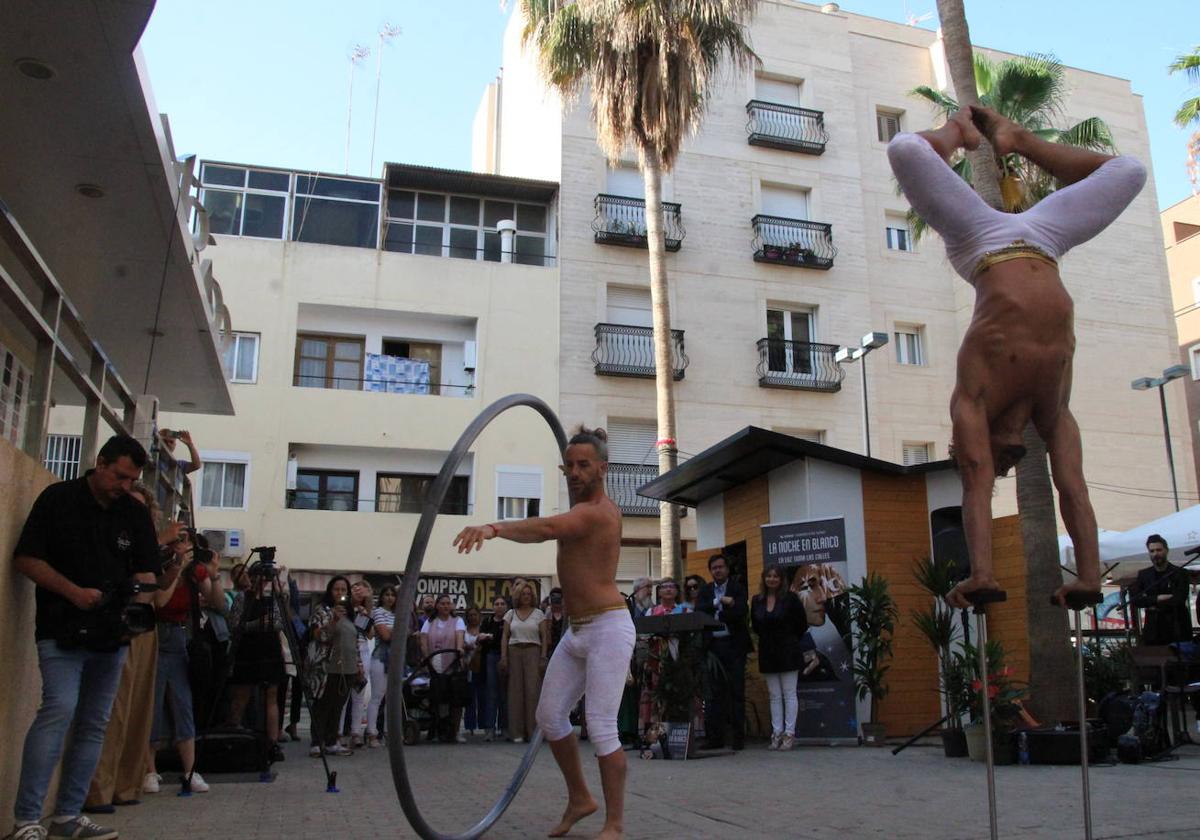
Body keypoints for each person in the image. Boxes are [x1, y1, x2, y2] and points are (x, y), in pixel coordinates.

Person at [886, 106, 1146, 610]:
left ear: (971, 442)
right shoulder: (1053, 410)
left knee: (904, 149)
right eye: (1012, 458)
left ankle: (973, 134)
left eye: (993, 456)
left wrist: (981, 574)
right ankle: (1020, 140)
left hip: (978, 240)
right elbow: (1072, 486)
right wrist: (1089, 578)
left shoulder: (973, 397)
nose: (1004, 457)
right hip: (1045, 239)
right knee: (1130, 171)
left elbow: (976, 483)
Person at [453, 426, 635, 840]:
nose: (574, 472)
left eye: (583, 465)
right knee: (550, 717)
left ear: (602, 468)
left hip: (609, 626)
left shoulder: (598, 512)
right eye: (568, 465)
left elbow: (547, 528)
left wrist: (493, 529)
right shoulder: (580, 510)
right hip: (577, 631)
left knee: (602, 726)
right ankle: (579, 798)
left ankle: (615, 823)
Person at [10, 435, 160, 840]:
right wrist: (75, 593)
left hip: (111, 636)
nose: (124, 486)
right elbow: (26, 559)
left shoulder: (132, 512)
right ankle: (27, 818)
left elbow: (147, 572)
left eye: (132, 480)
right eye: (119, 476)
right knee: (58, 710)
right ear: (100, 462)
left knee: (94, 723)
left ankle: (68, 815)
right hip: (61, 628)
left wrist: (137, 604)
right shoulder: (59, 499)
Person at [83, 482, 183, 815]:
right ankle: (99, 789)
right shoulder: (110, 532)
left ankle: (127, 784)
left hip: (145, 627)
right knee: (114, 710)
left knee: (140, 710)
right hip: (117, 624)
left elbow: (160, 597)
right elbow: (112, 568)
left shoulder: (145, 541)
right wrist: (160, 542)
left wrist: (174, 567)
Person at [145, 529, 224, 795]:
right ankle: (149, 770)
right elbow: (160, 601)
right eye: (182, 543)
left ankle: (190, 770)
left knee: (183, 703)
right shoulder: (161, 566)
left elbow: (217, 602)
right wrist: (177, 567)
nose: (186, 548)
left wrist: (212, 573)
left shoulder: (195, 574)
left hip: (180, 638)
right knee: (152, 704)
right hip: (155, 635)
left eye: (189, 544)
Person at [225, 565, 288, 760]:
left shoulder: (273, 599)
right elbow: (235, 625)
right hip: (247, 651)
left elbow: (278, 622)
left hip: (269, 651)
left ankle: (272, 743)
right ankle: (232, 738)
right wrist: (261, 623)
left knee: (271, 697)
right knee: (241, 696)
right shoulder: (242, 598)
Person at [697, 553, 752, 750]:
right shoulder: (705, 590)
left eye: (721, 567)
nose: (718, 570)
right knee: (714, 694)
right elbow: (700, 611)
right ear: (710, 571)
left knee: (736, 692)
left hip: (734, 646)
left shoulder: (737, 587)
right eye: (714, 568)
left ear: (727, 569)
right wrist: (718, 604)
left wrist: (721, 613)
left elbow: (741, 611)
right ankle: (715, 738)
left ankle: (738, 739)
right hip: (713, 648)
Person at [751, 566, 808, 751]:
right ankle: (776, 733)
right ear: (764, 578)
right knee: (774, 696)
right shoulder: (757, 600)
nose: (772, 579)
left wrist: (789, 638)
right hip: (768, 651)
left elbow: (802, 624)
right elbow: (756, 626)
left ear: (782, 579)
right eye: (769, 576)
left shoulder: (791, 599)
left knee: (789, 694)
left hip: (788, 649)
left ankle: (789, 734)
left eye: (776, 576)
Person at [306, 576, 361, 757]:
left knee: (338, 705)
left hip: (348, 666)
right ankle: (317, 742)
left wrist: (359, 663)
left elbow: (360, 637)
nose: (340, 593)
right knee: (323, 704)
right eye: (336, 589)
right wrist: (333, 621)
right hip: (327, 666)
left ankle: (332, 741)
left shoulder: (351, 613)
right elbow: (319, 636)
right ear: (330, 591)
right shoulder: (322, 610)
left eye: (343, 590)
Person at [499, 582, 548, 743]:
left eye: (528, 594)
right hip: (514, 651)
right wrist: (504, 657)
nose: (526, 597)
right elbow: (505, 636)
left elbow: (544, 637)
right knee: (515, 692)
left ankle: (533, 731)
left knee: (532, 691)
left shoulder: (539, 614)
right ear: (518, 596)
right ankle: (517, 732)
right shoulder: (510, 614)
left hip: (533, 651)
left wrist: (543, 657)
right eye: (523, 594)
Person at [1131, 534, 1193, 645]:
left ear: (1166, 550)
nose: (1155, 554)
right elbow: (1136, 599)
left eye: (1159, 550)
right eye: (1152, 551)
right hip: (1153, 628)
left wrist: (1150, 601)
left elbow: (1179, 598)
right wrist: (1158, 598)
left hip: (1176, 626)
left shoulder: (1179, 573)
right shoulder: (1144, 575)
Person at [421, 594, 467, 743]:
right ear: (437, 606)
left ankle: (455, 731)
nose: (446, 606)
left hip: (452, 661)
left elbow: (460, 637)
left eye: (448, 604)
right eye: (442, 604)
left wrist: (459, 649)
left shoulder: (457, 621)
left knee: (455, 698)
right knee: (438, 696)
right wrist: (426, 657)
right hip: (435, 661)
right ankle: (437, 729)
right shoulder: (430, 621)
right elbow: (423, 639)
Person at [365, 584, 397, 747]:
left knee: (391, 698)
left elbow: (405, 632)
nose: (390, 597)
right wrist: (395, 630)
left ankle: (388, 732)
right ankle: (372, 733)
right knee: (377, 697)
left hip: (396, 658)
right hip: (380, 657)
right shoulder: (377, 612)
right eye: (387, 594)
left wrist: (392, 630)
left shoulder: (397, 614)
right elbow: (385, 635)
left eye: (393, 594)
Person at [345, 579, 375, 748]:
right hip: (345, 649)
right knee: (342, 695)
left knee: (358, 694)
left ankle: (355, 732)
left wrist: (367, 612)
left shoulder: (366, 611)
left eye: (362, 588)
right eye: (355, 587)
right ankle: (338, 732)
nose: (357, 589)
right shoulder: (344, 607)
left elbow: (370, 634)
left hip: (362, 649)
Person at [479, 595, 508, 740]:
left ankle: (504, 727)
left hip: (506, 657)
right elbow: (481, 638)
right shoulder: (487, 621)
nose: (499, 606)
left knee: (505, 694)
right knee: (491, 693)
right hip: (490, 657)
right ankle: (489, 728)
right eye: (496, 603)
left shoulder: (509, 621)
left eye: (502, 603)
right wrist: (484, 637)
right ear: (492, 606)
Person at [462, 606, 490, 737]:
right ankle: (470, 725)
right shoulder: (463, 631)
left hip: (482, 666)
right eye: (470, 615)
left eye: (475, 615)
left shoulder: (484, 630)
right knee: (470, 697)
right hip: (468, 666)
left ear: (480, 616)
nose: (473, 617)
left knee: (483, 696)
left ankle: (484, 724)